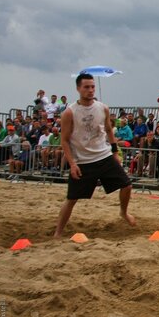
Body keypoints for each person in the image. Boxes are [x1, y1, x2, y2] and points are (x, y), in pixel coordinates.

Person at [54, 73, 136, 238]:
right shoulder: (70, 112)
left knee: (126, 185)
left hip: (104, 156)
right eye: (86, 87)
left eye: (92, 87)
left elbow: (108, 130)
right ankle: (58, 232)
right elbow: (64, 141)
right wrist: (72, 164)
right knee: (71, 199)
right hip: (83, 161)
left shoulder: (102, 107)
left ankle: (123, 212)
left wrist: (114, 152)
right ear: (78, 88)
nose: (90, 90)